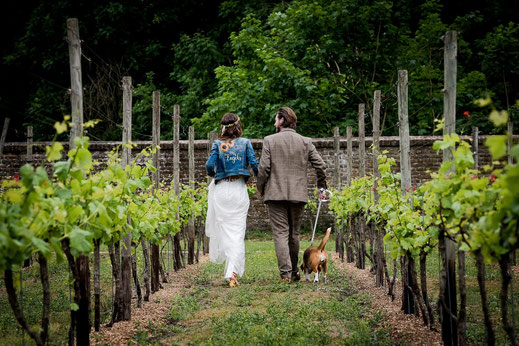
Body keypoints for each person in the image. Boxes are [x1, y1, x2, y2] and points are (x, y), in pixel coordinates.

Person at [257, 107, 328, 283]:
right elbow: (321, 165)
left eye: (276, 119)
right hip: (298, 194)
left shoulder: (270, 140)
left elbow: (263, 168)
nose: (274, 122)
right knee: (293, 233)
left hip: (275, 194)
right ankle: (295, 271)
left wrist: (261, 187)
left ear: (282, 120)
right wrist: (321, 186)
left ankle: (285, 275)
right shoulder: (305, 141)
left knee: (281, 233)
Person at [205, 113, 259, 287]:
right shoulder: (245, 143)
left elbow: (208, 165)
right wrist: (262, 182)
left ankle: (231, 272)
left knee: (225, 231)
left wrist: (215, 175)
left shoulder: (217, 144)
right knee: (237, 231)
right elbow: (255, 164)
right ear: (238, 125)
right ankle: (232, 273)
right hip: (238, 189)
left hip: (221, 190)